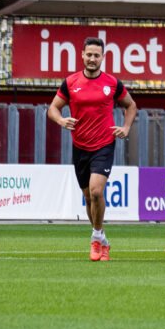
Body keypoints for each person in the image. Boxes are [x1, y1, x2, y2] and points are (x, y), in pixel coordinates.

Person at [48, 37, 137, 262]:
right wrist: (61, 121)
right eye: (89, 54)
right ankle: (103, 238)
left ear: (102, 58)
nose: (92, 58)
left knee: (97, 191)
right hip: (80, 146)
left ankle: (96, 239)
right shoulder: (71, 82)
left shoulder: (112, 83)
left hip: (104, 144)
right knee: (88, 197)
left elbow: (131, 105)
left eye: (96, 55)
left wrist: (126, 127)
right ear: (82, 55)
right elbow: (53, 108)